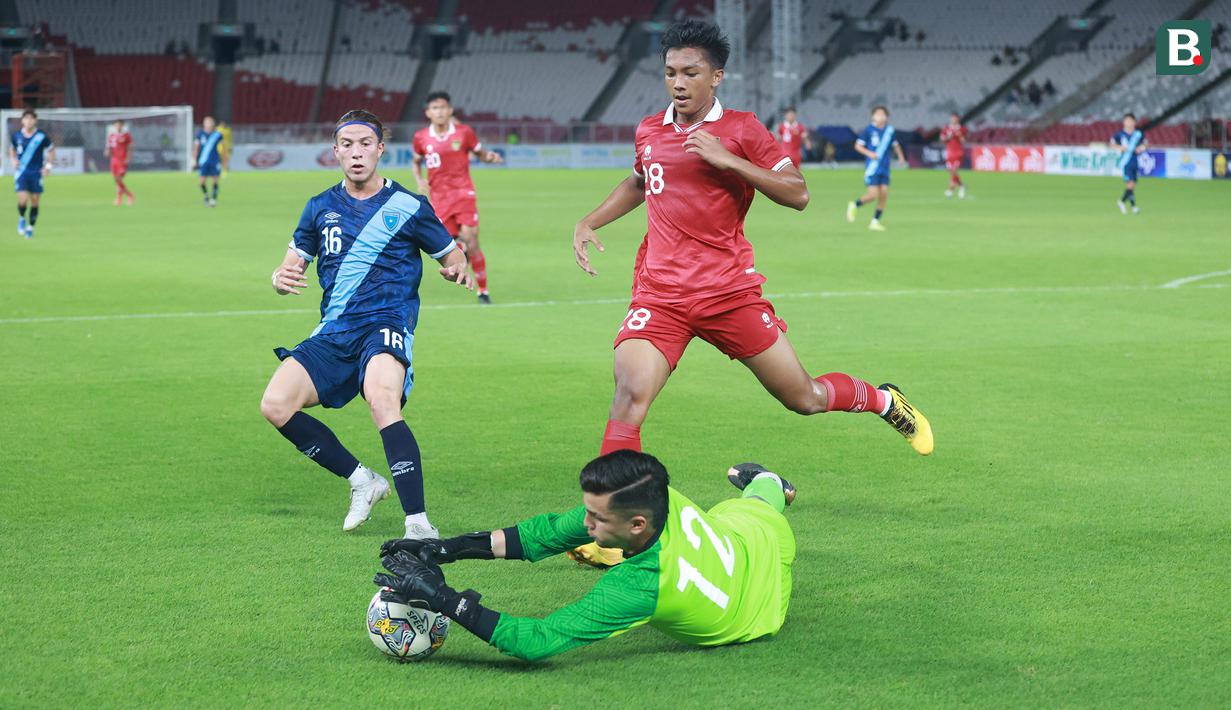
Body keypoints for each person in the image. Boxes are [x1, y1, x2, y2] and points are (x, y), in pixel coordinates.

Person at [570, 21, 932, 567]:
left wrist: (729, 159)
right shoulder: (650, 129)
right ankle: (614, 536)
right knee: (628, 398)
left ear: (717, 76)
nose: (678, 82)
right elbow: (641, 181)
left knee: (803, 397)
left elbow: (799, 193)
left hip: (728, 294)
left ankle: (884, 400)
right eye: (670, 72)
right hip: (661, 295)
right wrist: (589, 220)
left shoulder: (742, 129)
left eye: (690, 72)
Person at [260, 109, 474, 538]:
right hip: (336, 329)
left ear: (380, 148)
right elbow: (290, 267)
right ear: (335, 151)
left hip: (387, 321)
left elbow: (453, 255)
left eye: (364, 144)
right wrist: (279, 279)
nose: (356, 153)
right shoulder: (319, 207)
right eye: (347, 145)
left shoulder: (409, 205)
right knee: (276, 404)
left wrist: (456, 268)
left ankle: (418, 524)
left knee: (381, 398)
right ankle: (363, 481)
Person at [374, 450, 798, 662]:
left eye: (595, 518)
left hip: (757, 615)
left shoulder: (638, 586)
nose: (585, 526)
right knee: (759, 503)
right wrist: (445, 548)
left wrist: (445, 599)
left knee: (752, 510)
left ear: (635, 525)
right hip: (754, 537)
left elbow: (537, 643)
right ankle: (769, 483)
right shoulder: (655, 493)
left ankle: (768, 485)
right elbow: (545, 535)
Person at [411, 91, 503, 304]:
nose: (440, 111)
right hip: (439, 198)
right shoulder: (421, 137)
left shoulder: (464, 132)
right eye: (435, 108)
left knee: (472, 239)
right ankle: (459, 243)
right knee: (447, 247)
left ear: (450, 111)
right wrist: (419, 180)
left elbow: (481, 154)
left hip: (463, 193)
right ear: (428, 113)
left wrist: (490, 157)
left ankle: (483, 291)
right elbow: (416, 161)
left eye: (443, 107)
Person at [845, 105, 907, 231]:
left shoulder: (889, 131)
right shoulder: (868, 130)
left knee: (883, 194)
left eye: (883, 114)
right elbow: (858, 146)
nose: (880, 116)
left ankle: (875, 221)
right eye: (878, 114)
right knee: (873, 195)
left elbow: (896, 145)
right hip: (873, 168)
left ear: (887, 117)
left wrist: (900, 156)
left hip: (885, 168)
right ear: (873, 117)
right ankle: (854, 205)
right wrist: (870, 154)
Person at [9, 108, 54, 239]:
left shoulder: (41, 136)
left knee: (35, 201)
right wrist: (13, 160)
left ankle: (30, 227)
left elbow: (51, 150)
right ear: (22, 120)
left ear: (35, 120)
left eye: (31, 118)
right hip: (21, 172)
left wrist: (48, 166)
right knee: (23, 200)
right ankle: (22, 217)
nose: (28, 121)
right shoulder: (16, 136)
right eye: (26, 118)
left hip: (36, 173)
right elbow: (11, 149)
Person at [1110, 113, 1145, 215]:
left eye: (1130, 121)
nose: (1128, 123)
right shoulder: (1120, 134)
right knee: (1130, 184)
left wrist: (1141, 148)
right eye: (1126, 120)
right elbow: (1112, 144)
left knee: (1132, 184)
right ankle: (1126, 204)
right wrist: (1120, 148)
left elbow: (1145, 143)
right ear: (1124, 122)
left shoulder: (1138, 134)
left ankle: (1128, 205)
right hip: (1126, 161)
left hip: (1135, 161)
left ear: (1134, 122)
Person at [192, 115, 226, 207]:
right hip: (203, 161)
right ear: (204, 123)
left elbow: (223, 147)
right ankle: (206, 196)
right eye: (206, 122)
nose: (208, 124)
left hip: (214, 161)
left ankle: (214, 199)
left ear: (213, 123)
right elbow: (196, 148)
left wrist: (224, 160)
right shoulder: (200, 134)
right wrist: (194, 159)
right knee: (201, 182)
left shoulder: (217, 135)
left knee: (215, 180)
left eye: (210, 122)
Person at [105, 119, 134, 206]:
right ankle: (119, 199)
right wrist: (107, 151)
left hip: (122, 159)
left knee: (118, 178)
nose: (118, 126)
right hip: (114, 160)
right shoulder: (112, 135)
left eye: (120, 125)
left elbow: (130, 147)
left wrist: (128, 158)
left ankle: (129, 196)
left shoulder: (126, 135)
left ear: (122, 125)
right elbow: (109, 146)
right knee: (117, 180)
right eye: (116, 125)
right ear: (114, 126)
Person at [940, 112, 967, 199]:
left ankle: (951, 190)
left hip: (958, 152)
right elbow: (942, 139)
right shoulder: (946, 128)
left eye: (955, 118)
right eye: (952, 118)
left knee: (954, 170)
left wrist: (960, 136)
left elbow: (964, 141)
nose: (953, 120)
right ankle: (962, 186)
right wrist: (948, 136)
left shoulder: (962, 129)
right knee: (951, 171)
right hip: (949, 152)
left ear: (958, 119)